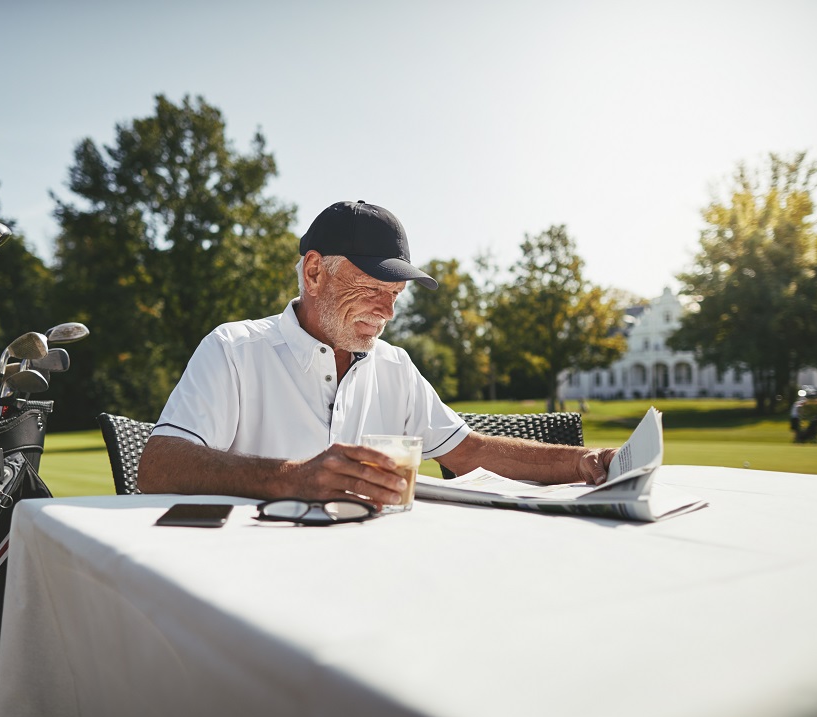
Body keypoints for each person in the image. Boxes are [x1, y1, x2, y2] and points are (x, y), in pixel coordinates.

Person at [137, 200, 618, 509]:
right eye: (371, 288)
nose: (387, 310)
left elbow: (468, 452)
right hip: (251, 580)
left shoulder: (395, 366)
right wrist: (292, 478)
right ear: (313, 272)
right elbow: (158, 466)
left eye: (396, 294)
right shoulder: (233, 350)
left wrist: (586, 462)